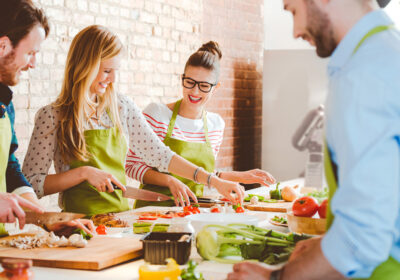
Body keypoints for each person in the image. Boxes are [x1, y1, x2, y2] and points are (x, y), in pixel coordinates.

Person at [228, 0, 400, 279]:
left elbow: (363, 237)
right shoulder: (385, 52)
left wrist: (276, 277)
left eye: (293, 10)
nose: (295, 32)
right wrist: (326, 245)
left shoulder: (363, 75)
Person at [23, 25, 245, 217]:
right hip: (76, 224)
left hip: (120, 221)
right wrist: (83, 173)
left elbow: (161, 156)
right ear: (84, 65)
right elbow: (31, 182)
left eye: (115, 70)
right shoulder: (52, 116)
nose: (113, 80)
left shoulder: (122, 108)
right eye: (107, 70)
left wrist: (214, 182)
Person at [126, 41, 275, 208]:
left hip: (192, 212)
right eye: (190, 82)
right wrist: (169, 180)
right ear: (182, 78)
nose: (195, 92)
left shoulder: (215, 124)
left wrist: (241, 176)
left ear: (216, 87)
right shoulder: (157, 114)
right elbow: (132, 165)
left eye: (204, 86)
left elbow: (204, 175)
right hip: (152, 212)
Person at [0, 0, 93, 236]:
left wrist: (47, 219)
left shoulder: (5, 103)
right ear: (3, 46)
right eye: (30, 53)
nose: (33, 64)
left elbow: (10, 172)